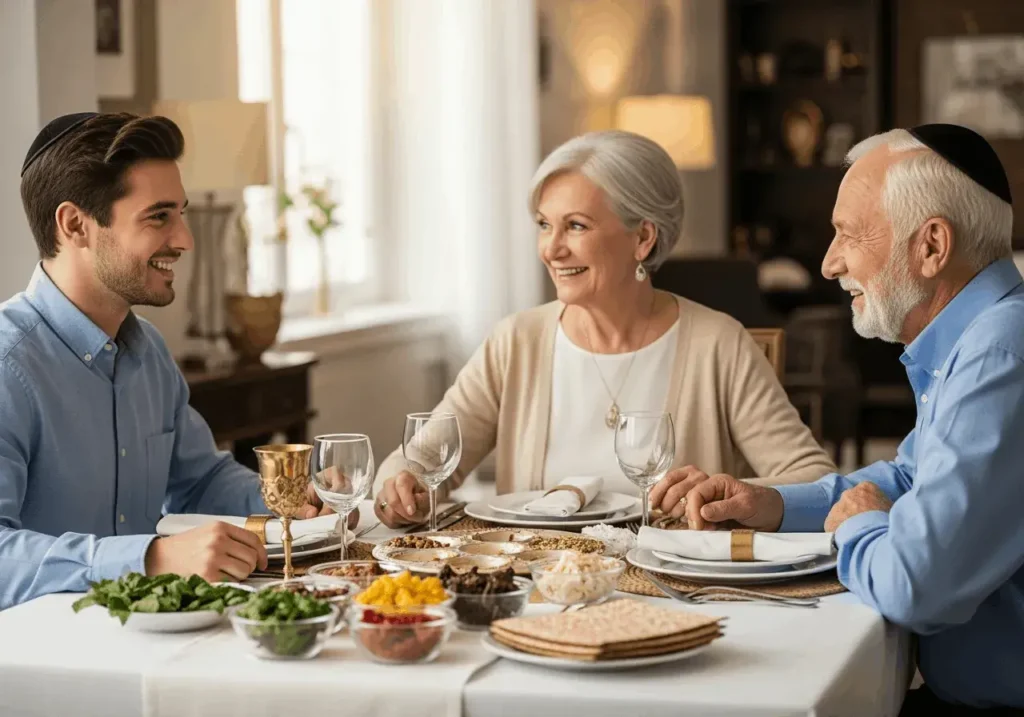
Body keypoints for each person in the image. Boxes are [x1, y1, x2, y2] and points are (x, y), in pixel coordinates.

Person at [653, 124, 1024, 712]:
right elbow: (909, 478)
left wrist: (860, 524)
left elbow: (914, 586)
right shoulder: (985, 338)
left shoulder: (1000, 354)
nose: (829, 264)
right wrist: (772, 505)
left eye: (848, 234)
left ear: (931, 246)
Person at [373, 130, 834, 528]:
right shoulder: (516, 342)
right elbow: (420, 461)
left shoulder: (718, 344)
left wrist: (726, 492)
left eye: (576, 226)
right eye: (544, 225)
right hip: (539, 586)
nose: (551, 249)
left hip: (672, 589)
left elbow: (815, 480)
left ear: (643, 238)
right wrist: (399, 486)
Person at [0, 112, 344, 611]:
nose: (184, 239)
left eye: (180, 213)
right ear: (75, 225)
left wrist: (290, 495)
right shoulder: (8, 367)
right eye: (159, 216)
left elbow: (199, 481)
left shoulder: (149, 352)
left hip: (157, 636)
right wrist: (151, 558)